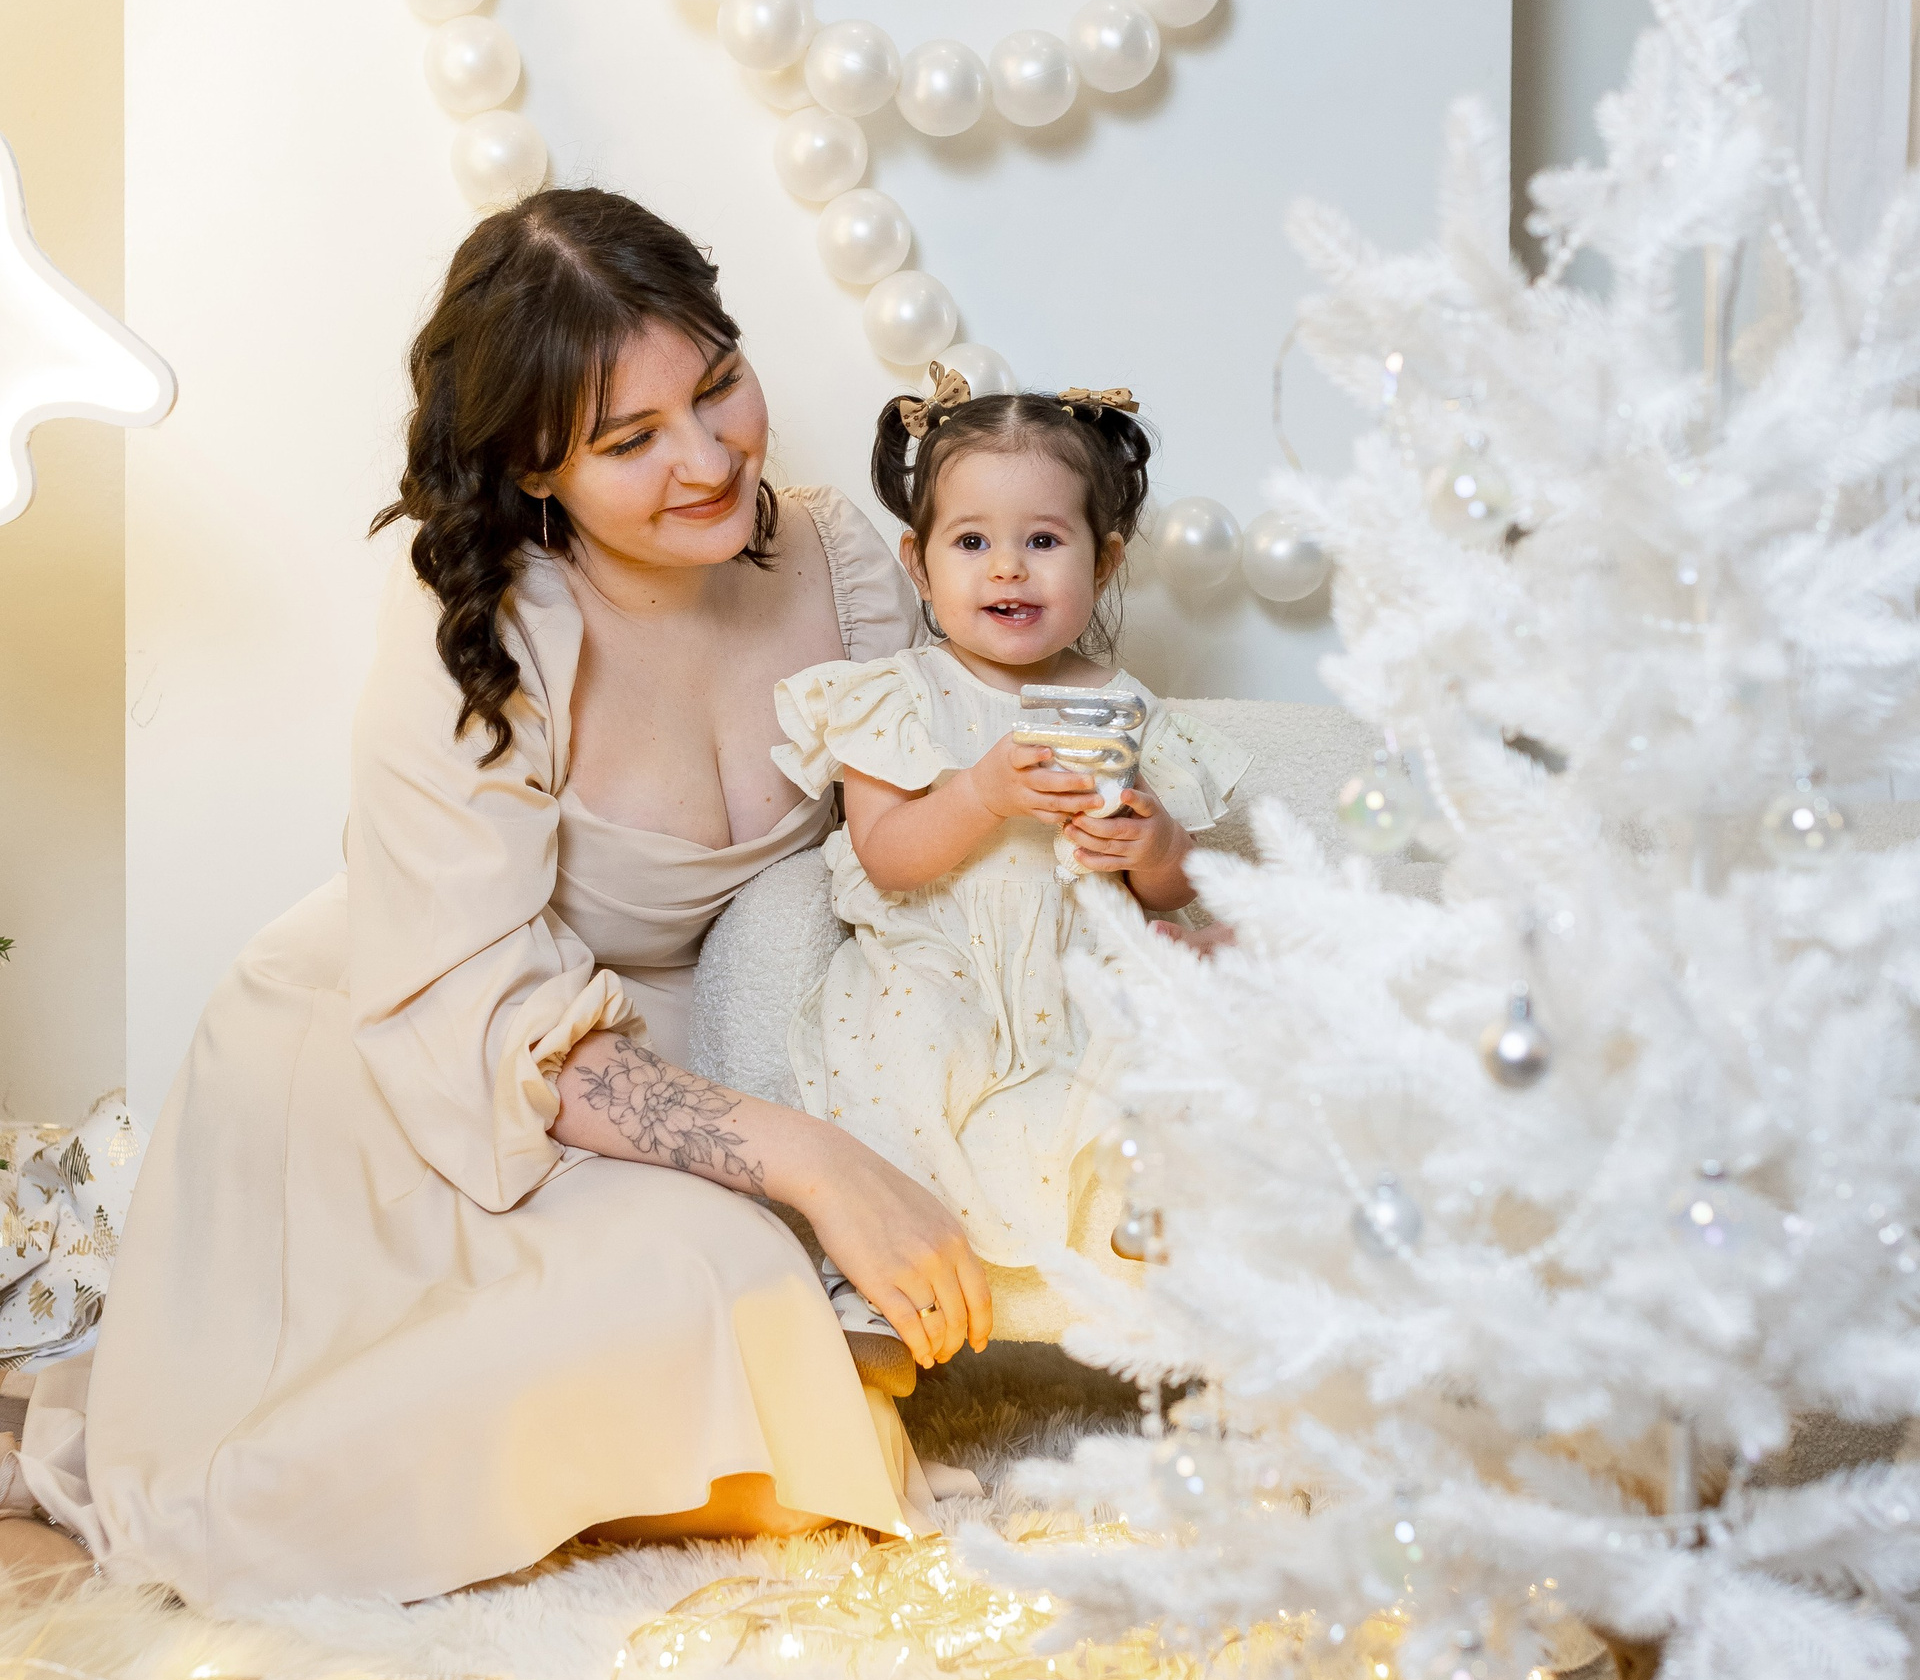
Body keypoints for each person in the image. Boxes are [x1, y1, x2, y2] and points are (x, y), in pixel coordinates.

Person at [62, 192, 994, 1605]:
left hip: (697, 1055)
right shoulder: (481, 627)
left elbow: (930, 820)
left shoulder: (841, 564)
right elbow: (481, 1016)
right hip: (426, 1060)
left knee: (772, 1337)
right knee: (718, 1294)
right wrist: (810, 1161)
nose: (708, 459)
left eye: (719, 385)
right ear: (533, 466)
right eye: (631, 441)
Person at [769, 366, 1246, 1343]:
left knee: (1159, 1048)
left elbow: (1169, 891)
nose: (1007, 571)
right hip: (943, 961)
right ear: (918, 562)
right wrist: (982, 793)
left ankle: (1164, 1263)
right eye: (972, 541)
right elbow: (888, 857)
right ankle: (881, 1283)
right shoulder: (896, 695)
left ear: (1104, 563)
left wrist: (1151, 840)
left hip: (1080, 963)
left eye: (1043, 541)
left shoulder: (1123, 707)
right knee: (910, 1057)